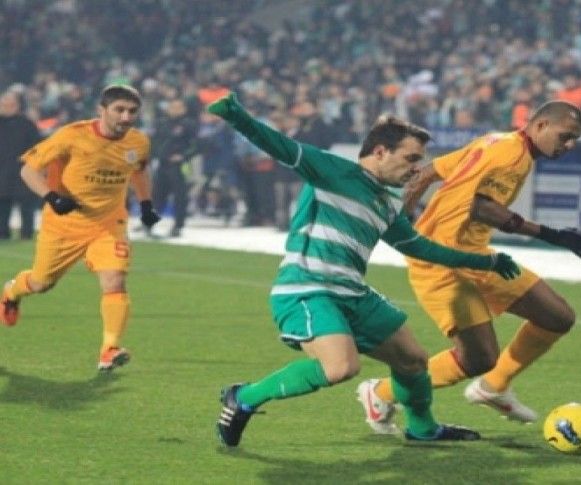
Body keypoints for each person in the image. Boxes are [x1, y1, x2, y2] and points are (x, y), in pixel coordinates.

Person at [206, 93, 521, 447]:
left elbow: (420, 248)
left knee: (413, 360)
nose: (416, 169)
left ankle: (422, 429)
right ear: (380, 152)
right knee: (341, 368)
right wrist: (235, 114)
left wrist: (487, 261)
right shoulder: (332, 171)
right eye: (411, 158)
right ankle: (243, 397)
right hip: (307, 288)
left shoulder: (387, 202)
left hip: (352, 292)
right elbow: (277, 145)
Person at [357, 101, 581, 434]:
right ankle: (380, 393)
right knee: (478, 358)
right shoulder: (510, 156)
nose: (569, 145)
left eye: (575, 139)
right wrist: (551, 234)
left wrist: (403, 217)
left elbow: (430, 171)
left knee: (557, 316)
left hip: (476, 254)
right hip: (441, 262)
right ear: (540, 126)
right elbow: (482, 208)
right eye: (565, 136)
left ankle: (494, 386)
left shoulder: (495, 141)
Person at [0, 85, 161, 371]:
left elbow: (139, 170)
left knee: (115, 280)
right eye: (119, 110)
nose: (126, 117)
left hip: (108, 224)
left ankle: (109, 349)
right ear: (101, 110)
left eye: (132, 111)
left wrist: (146, 204)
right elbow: (28, 169)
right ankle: (11, 292)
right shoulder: (72, 135)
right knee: (41, 283)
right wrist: (52, 197)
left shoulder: (138, 142)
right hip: (64, 225)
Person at [151, 98, 198, 238]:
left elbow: (196, 145)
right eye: (172, 107)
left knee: (180, 196)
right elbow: (154, 142)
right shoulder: (162, 123)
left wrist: (183, 156)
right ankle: (150, 222)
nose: (174, 110)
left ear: (183, 109)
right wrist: (155, 155)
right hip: (162, 164)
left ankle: (178, 225)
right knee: (157, 195)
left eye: (178, 107)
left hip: (179, 166)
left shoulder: (189, 124)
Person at [0, 91, 42, 240]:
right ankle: (2, 233)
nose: (6, 107)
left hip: (24, 171)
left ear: (17, 106)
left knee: (27, 205)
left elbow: (37, 147)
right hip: (2, 171)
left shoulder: (27, 125)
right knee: (2, 205)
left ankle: (27, 234)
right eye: (3, 104)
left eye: (10, 104)